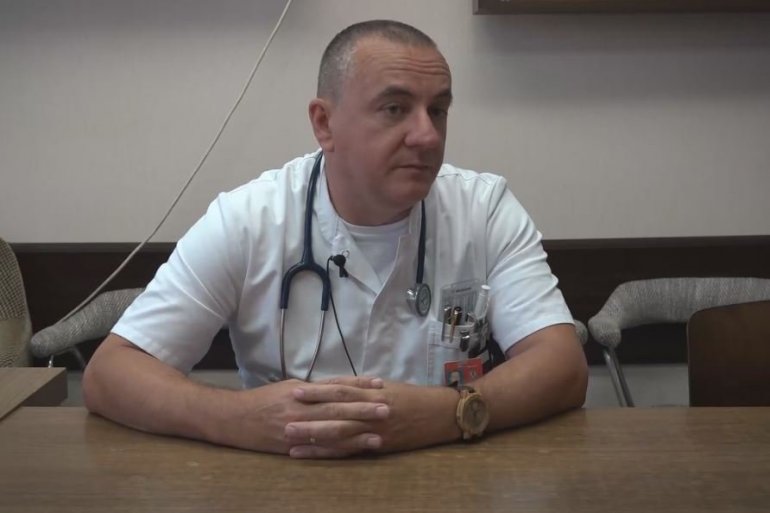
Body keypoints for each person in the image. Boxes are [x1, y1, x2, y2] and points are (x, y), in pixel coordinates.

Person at [83, 20, 587, 459]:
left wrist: (448, 413)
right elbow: (111, 374)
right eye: (395, 108)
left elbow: (562, 366)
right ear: (324, 123)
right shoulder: (248, 220)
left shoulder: (484, 209)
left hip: (447, 473)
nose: (427, 136)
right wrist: (238, 418)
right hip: (285, 477)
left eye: (438, 110)